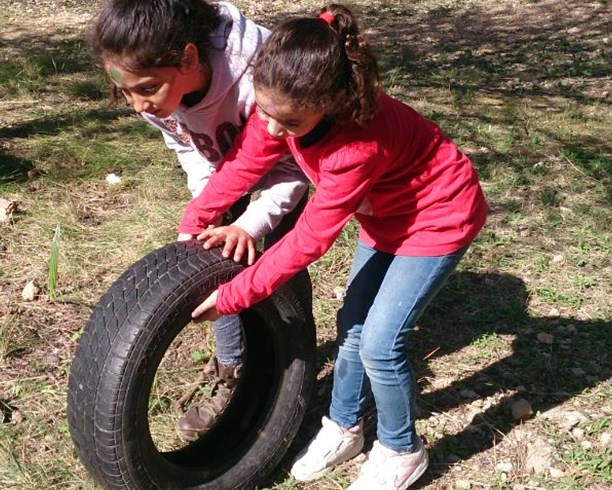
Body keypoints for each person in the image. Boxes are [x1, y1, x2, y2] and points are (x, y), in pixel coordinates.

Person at [178, 4, 488, 489]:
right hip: (386, 216)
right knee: (353, 326)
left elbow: (309, 238)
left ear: (332, 101)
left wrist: (236, 295)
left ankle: (402, 450)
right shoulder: (284, 105)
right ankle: (344, 426)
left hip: (438, 217)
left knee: (382, 345)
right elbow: (243, 165)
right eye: (267, 112)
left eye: (291, 124)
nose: (275, 129)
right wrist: (195, 218)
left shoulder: (354, 147)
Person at [86, 0, 309, 441]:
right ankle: (233, 369)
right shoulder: (153, 91)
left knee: (282, 272)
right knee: (213, 262)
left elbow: (296, 170)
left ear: (188, 57)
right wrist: (211, 204)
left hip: (288, 170)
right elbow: (189, 144)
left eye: (146, 90)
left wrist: (251, 222)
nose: (137, 107)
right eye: (126, 92)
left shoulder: (266, 73)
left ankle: (293, 373)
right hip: (227, 171)